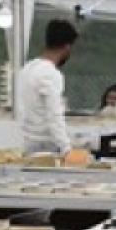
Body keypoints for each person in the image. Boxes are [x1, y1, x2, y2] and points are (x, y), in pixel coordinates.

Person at [14, 19, 78, 156]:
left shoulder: (27, 69)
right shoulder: (51, 73)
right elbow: (54, 115)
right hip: (47, 148)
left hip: (27, 144)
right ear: (67, 48)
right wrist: (67, 148)